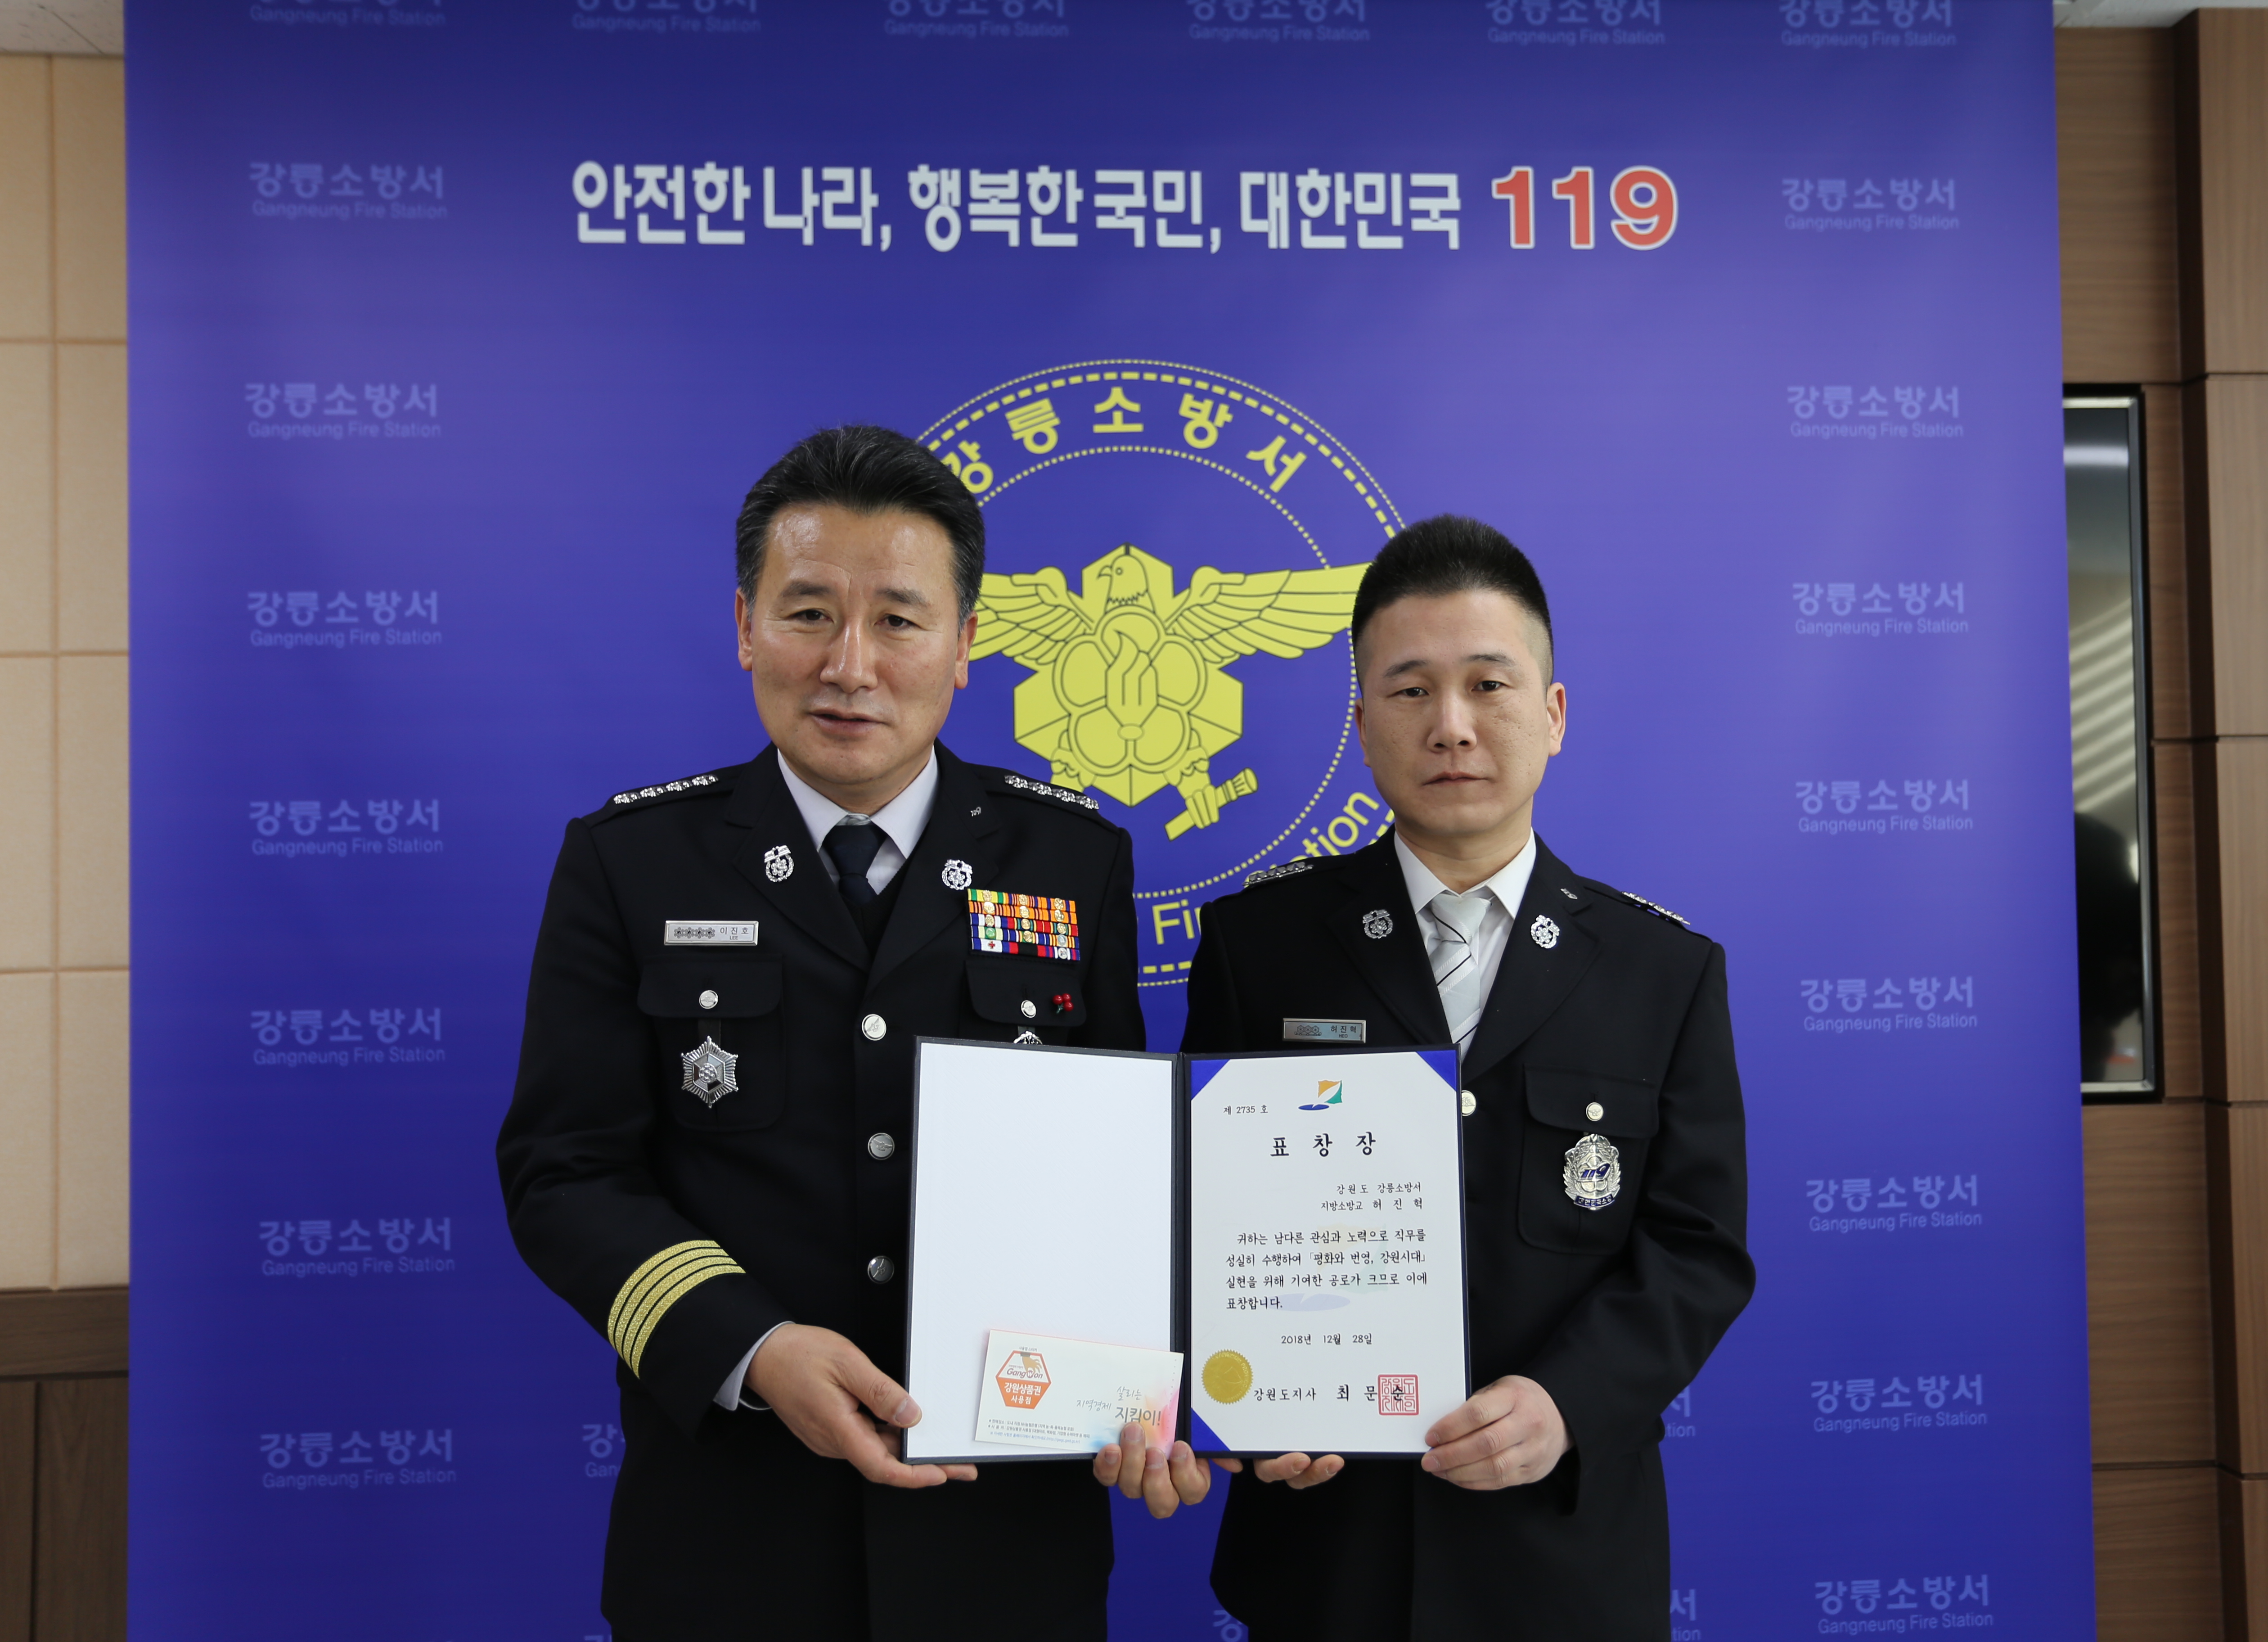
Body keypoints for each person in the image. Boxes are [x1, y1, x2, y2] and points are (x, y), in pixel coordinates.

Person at [497, 424, 1208, 1642]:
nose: (851, 666)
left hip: (1004, 1546)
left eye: (898, 620)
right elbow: (565, 1173)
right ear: (745, 627)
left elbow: (1112, 1181)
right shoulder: (632, 863)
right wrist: (753, 1346)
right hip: (729, 1536)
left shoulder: (1071, 859)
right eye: (810, 614)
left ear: (967, 643)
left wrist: (1153, 1389)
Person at [1181, 515, 1755, 1641]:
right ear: (1361, 726)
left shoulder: (1663, 972)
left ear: (1554, 714)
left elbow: (1698, 1250)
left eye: (1489, 684)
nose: (1451, 725)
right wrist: (1243, 1402)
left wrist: (1566, 1401)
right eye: (1410, 691)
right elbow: (1197, 1217)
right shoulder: (1261, 948)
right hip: (1326, 1553)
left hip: (1562, 1559)